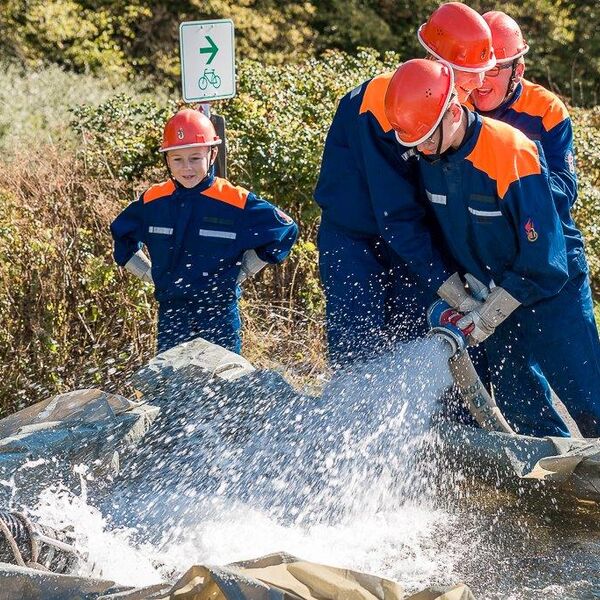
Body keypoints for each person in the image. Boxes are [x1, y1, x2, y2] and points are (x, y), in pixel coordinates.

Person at [384, 58, 600, 437]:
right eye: (412, 142)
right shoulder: (430, 149)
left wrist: (488, 315)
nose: (419, 150)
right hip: (489, 293)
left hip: (551, 293)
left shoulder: (511, 151)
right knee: (523, 408)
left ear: (453, 112)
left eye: (424, 139)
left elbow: (545, 259)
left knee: (589, 399)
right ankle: (555, 490)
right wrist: (460, 295)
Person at [314, 2, 496, 367]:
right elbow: (395, 214)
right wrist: (454, 290)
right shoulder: (381, 105)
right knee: (358, 354)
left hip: (407, 242)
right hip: (355, 244)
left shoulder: (449, 106)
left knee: (419, 343)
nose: (479, 83)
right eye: (471, 72)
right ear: (442, 62)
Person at [111, 109, 298, 354]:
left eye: (195, 158)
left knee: (224, 387)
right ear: (167, 160)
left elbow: (285, 230)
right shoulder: (153, 201)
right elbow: (122, 238)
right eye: (177, 159)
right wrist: (148, 274)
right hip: (172, 315)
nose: (186, 168)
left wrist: (245, 270)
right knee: (171, 388)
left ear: (212, 154)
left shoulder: (235, 201)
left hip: (219, 316)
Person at [471, 11, 577, 209]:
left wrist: (511, 186)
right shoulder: (457, 101)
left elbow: (566, 189)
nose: (480, 80)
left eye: (493, 69)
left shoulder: (548, 110)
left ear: (517, 71)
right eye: (476, 68)